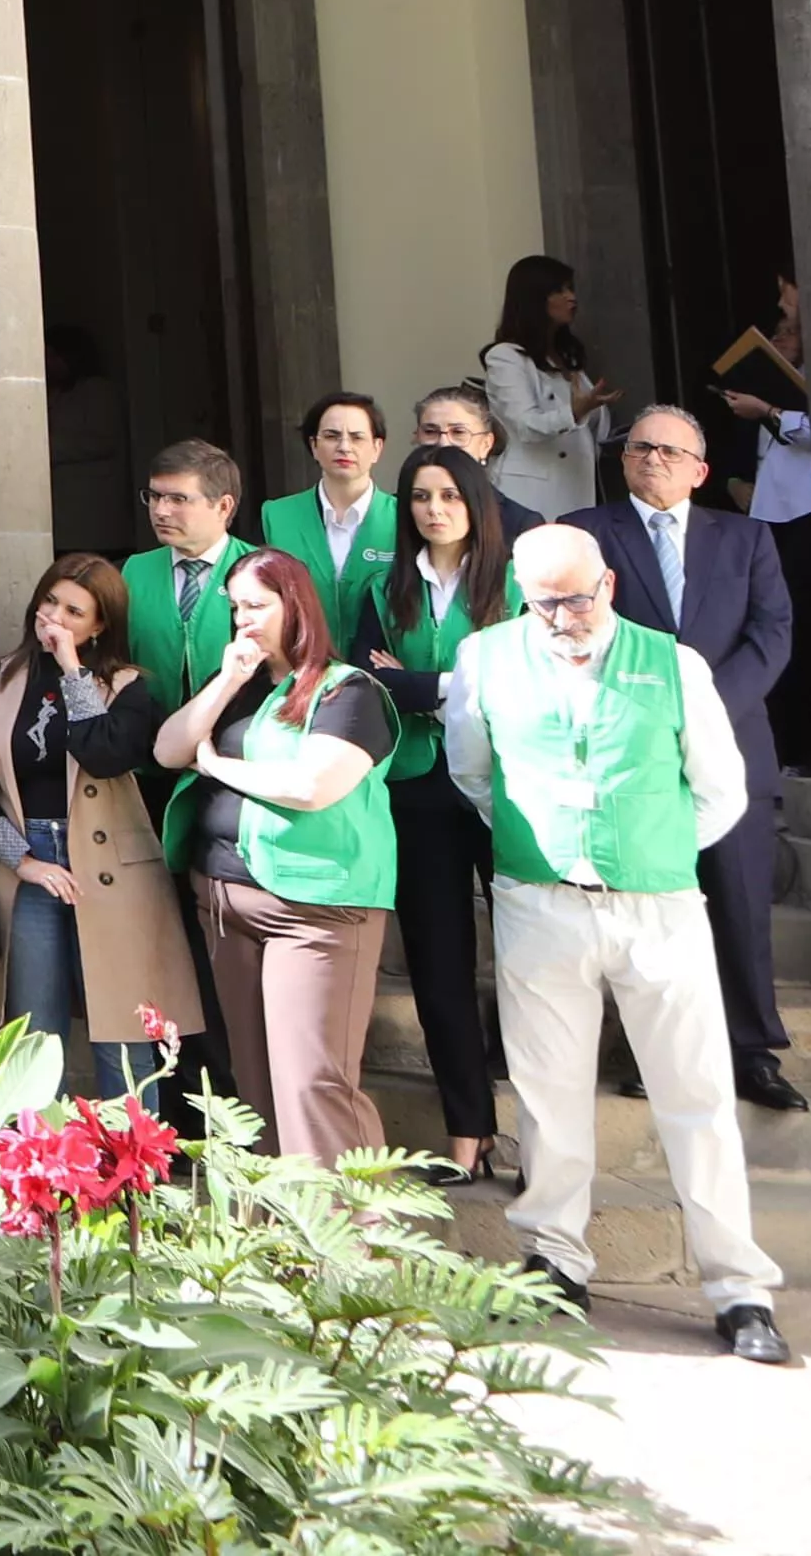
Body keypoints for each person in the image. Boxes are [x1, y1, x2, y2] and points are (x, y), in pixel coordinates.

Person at [446, 524, 797, 1364]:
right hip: (540, 900)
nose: (562, 618)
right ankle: (555, 1260)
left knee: (695, 1092)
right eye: (543, 603)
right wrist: (543, 847)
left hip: (657, 903)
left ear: (607, 583)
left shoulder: (675, 664)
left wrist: (650, 849)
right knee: (548, 1092)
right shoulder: (484, 658)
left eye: (577, 599)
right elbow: (473, 771)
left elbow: (720, 791)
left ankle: (738, 1285)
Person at [585, 406, 806, 1111]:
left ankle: (751, 1051)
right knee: (648, 916)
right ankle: (655, 1051)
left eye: (671, 451)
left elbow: (772, 634)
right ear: (624, 459)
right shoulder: (587, 533)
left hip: (732, 746)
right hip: (632, 754)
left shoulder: (746, 537)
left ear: (701, 470)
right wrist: (652, 712)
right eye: (641, 447)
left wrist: (701, 707)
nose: (654, 458)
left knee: (740, 905)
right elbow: (574, 629)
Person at [150, 546, 399, 1163]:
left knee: (313, 1082)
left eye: (257, 606)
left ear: (296, 605)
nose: (243, 620)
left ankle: (350, 1221)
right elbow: (167, 750)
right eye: (236, 608)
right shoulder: (242, 684)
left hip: (314, 909)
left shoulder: (348, 690)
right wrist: (228, 680)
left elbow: (313, 787)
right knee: (253, 1082)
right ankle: (270, 1220)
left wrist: (217, 766)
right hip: (225, 900)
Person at [0, 554, 183, 1100]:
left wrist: (71, 671)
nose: (55, 618)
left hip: (110, 868)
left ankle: (133, 1151)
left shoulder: (128, 686)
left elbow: (104, 754)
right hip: (28, 859)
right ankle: (45, 1149)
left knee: (122, 1030)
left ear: (100, 625)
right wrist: (21, 860)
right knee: (34, 1032)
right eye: (50, 601)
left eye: (74, 612)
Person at [356, 444, 518, 1179]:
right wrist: (457, 684)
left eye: (450, 495)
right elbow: (370, 683)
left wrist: (426, 683)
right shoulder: (384, 587)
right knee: (438, 965)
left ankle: (538, 1136)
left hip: (508, 787)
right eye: (421, 496)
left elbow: (521, 677)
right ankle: (466, 1133)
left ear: (475, 501)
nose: (434, 509)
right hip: (419, 789)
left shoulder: (516, 583)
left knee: (530, 960)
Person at [709, 271, 811, 773]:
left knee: (806, 627)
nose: (780, 329)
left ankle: (807, 746)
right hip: (766, 516)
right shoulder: (768, 385)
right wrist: (735, 480)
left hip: (807, 513)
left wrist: (770, 411)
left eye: (788, 327)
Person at [253, 390, 403, 643]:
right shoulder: (275, 517)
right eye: (332, 436)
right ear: (314, 445)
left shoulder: (404, 519)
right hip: (299, 662)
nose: (344, 447)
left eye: (357, 437)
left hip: (381, 663)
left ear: (377, 448)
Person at [119, 443, 248, 730]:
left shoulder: (261, 571)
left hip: (234, 741)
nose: (161, 511)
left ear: (223, 506)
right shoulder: (132, 571)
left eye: (178, 499)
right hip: (146, 740)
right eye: (154, 496)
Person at [479, 254, 612, 512]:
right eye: (559, 291)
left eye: (571, 288)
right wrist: (574, 413)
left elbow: (589, 430)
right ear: (534, 299)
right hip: (533, 496)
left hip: (578, 486)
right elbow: (525, 425)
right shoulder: (506, 357)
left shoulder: (566, 357)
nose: (571, 298)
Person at [408, 381, 552, 528]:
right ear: (416, 437)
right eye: (430, 432)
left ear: (486, 444)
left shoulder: (519, 523)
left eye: (458, 432)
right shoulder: (396, 512)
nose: (443, 444)